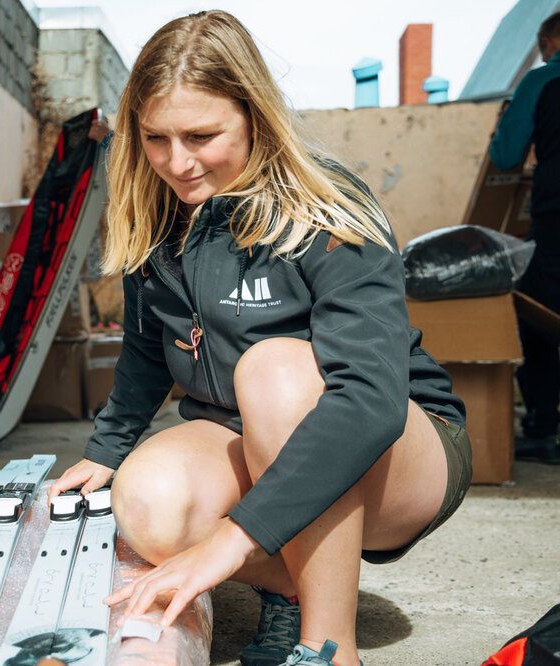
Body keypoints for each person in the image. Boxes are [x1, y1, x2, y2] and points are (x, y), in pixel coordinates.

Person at [48, 11, 471, 666]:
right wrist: (106, 450)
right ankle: (298, 580)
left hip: (392, 450)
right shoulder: (157, 211)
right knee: (145, 502)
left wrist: (234, 538)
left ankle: (325, 645)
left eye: (201, 135)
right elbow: (143, 346)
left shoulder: (324, 207)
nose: (176, 162)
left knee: (273, 370)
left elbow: (367, 403)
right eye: (155, 138)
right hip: (241, 429)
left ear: (253, 115)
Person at [490, 12, 560, 447]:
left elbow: (506, 155)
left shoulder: (541, 81)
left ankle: (542, 427)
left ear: (550, 40)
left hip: (555, 218)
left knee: (537, 313)